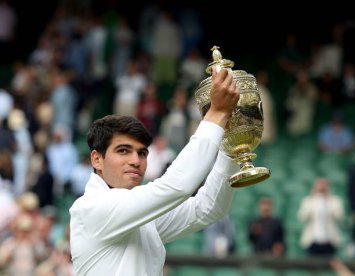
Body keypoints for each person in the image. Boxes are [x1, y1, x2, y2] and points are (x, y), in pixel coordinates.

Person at [69, 67, 240, 276]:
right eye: (123, 151)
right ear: (97, 159)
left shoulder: (140, 216)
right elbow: (176, 187)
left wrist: (231, 147)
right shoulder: (91, 208)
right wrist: (217, 113)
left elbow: (208, 208)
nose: (135, 161)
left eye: (142, 153)